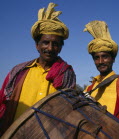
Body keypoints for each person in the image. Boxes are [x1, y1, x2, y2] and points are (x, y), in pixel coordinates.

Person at [0, 3, 76, 135]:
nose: (50, 48)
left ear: (61, 47)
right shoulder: (18, 71)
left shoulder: (67, 74)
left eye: (55, 44)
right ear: (37, 45)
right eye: (46, 42)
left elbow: (69, 110)